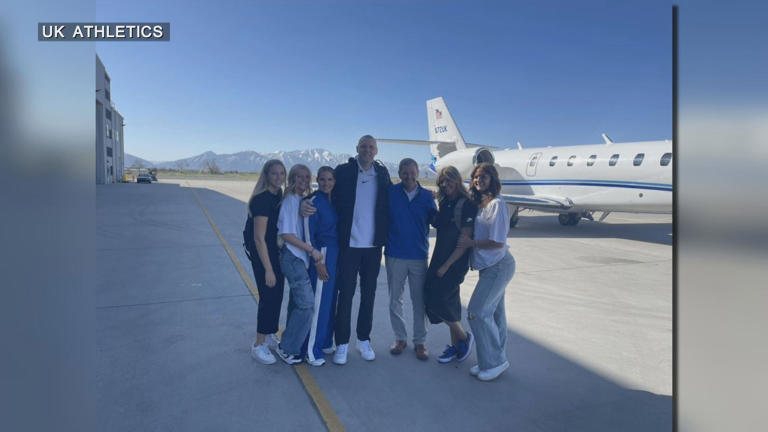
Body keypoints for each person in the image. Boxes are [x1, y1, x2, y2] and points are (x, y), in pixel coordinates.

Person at [302, 134, 392, 364]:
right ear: (357, 148)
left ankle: (363, 340)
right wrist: (306, 200)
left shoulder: (382, 173)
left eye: (371, 147)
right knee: (346, 294)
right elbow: (326, 187)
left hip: (373, 247)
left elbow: (393, 198)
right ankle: (341, 343)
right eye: (363, 146)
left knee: (369, 295)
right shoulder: (343, 171)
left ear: (376, 150)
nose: (367, 150)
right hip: (349, 246)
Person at [457, 162, 515, 381]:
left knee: (477, 311)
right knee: (496, 314)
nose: (478, 180)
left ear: (492, 179)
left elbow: (498, 242)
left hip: (499, 265)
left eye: (483, 177)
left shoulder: (498, 204)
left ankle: (495, 362)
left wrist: (471, 243)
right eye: (475, 177)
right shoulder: (481, 203)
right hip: (489, 266)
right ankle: (492, 359)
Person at [424, 166, 477, 364]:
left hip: (454, 261)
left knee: (436, 300)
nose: (446, 185)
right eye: (442, 182)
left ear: (457, 180)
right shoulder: (446, 202)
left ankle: (464, 338)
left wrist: (446, 265)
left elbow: (464, 241)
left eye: (449, 180)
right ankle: (456, 347)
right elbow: (439, 222)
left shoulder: (467, 204)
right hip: (440, 256)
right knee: (451, 303)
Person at [385, 158, 437, 360]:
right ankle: (400, 338)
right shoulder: (390, 194)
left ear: (418, 173)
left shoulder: (426, 196)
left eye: (412, 172)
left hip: (418, 255)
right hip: (394, 254)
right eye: (404, 173)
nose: (408, 176)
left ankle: (420, 342)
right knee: (394, 300)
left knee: (419, 301)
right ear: (399, 173)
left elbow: (436, 219)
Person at [275, 164, 327, 365]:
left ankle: (289, 341)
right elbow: (286, 234)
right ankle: (287, 348)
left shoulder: (301, 199)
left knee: (296, 303)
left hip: (299, 257)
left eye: (307, 177)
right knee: (307, 304)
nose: (304, 181)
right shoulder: (289, 200)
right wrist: (310, 250)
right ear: (292, 179)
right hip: (293, 257)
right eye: (299, 177)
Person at [246, 159, 287, 364]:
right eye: (274, 174)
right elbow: (258, 238)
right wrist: (268, 269)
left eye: (281, 174)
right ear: (266, 175)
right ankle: (258, 344)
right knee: (268, 295)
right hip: (263, 253)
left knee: (277, 294)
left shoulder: (278, 194)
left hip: (274, 251)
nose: (278, 178)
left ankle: (270, 333)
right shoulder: (261, 199)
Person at [301, 166, 340, 365]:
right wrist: (318, 262)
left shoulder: (335, 201)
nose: (326, 183)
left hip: (336, 255)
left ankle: (325, 341)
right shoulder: (313, 202)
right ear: (317, 180)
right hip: (322, 255)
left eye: (330, 179)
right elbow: (309, 236)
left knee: (330, 302)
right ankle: (311, 350)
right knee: (319, 305)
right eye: (323, 179)